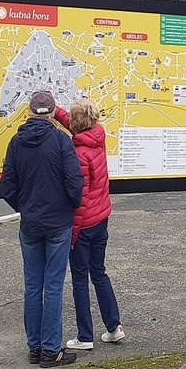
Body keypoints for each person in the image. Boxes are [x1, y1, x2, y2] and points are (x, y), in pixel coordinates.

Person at [0, 91, 83, 368]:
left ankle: (35, 348)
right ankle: (51, 351)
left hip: (31, 223)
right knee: (53, 286)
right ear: (52, 112)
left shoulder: (16, 142)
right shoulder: (61, 140)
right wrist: (70, 205)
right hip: (58, 222)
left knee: (32, 287)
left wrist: (24, 206)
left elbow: (7, 186)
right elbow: (75, 182)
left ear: (30, 111)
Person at [54, 99, 124, 351]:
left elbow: (79, 199)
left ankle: (84, 336)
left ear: (75, 124)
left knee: (80, 279)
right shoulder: (97, 137)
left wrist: (72, 235)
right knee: (99, 272)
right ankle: (114, 327)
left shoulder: (79, 153)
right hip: (101, 218)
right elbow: (73, 124)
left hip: (84, 225)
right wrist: (55, 111)